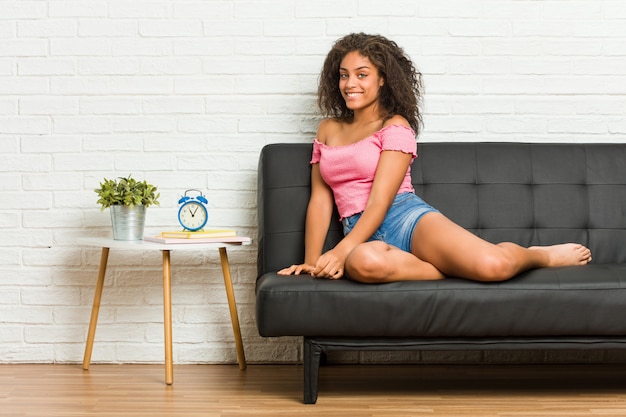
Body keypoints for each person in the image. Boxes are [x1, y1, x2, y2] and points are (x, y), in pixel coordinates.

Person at [278, 33, 592, 283]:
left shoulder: (395, 126)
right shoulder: (328, 129)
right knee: (363, 263)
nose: (350, 84)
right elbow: (321, 200)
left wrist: (341, 249)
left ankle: (539, 256)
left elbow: (381, 201)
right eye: (344, 75)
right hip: (360, 232)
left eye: (362, 74)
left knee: (494, 266)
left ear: (383, 79)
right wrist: (311, 261)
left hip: (406, 219)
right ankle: (450, 268)